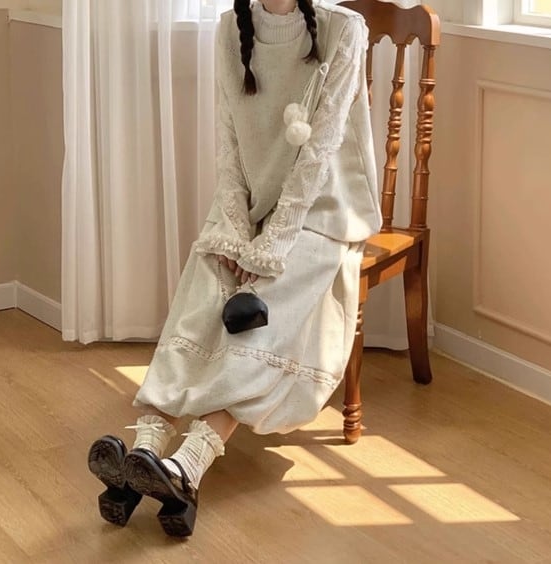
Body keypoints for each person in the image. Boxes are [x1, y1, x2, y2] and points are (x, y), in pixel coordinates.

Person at [88, 0, 381, 537]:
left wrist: (269, 249)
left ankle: (186, 467)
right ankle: (144, 457)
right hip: (252, 208)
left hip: (322, 213)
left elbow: (317, 158)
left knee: (258, 314)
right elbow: (228, 146)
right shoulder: (229, 30)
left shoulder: (345, 31)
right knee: (204, 293)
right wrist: (231, 228)